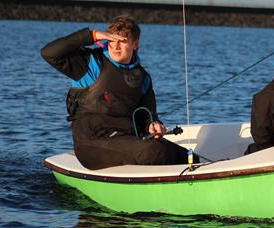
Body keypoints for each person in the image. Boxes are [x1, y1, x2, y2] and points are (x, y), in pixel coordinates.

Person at [41, 15, 191, 170]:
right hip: (91, 142)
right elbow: (49, 53)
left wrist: (153, 125)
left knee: (185, 155)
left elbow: (147, 117)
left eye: (122, 41)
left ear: (135, 44)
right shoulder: (90, 64)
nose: (116, 46)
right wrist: (92, 36)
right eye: (112, 40)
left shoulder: (142, 77)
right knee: (156, 151)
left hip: (125, 139)